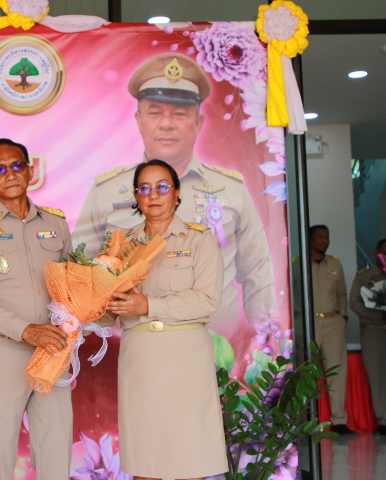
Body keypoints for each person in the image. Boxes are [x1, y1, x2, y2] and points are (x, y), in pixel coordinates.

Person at [73, 53, 275, 335]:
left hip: (217, 345)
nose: (166, 123)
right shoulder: (105, 192)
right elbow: (80, 271)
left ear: (198, 122)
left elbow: (257, 274)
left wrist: (265, 342)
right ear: (139, 120)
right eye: (155, 112)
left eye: (180, 113)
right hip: (134, 341)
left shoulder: (231, 189)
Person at [0, 138, 74, 480]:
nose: (10, 174)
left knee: (55, 440)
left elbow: (72, 283)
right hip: (4, 347)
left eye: (17, 165)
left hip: (54, 346)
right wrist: (26, 330)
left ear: (30, 171)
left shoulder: (55, 223)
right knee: (0, 443)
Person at [106, 159, 227, 480]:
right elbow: (110, 306)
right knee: (145, 458)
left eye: (162, 187)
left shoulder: (198, 239)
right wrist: (84, 304)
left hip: (185, 357)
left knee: (190, 457)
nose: (154, 195)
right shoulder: (121, 245)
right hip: (140, 358)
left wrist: (148, 304)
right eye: (144, 188)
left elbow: (207, 300)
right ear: (136, 196)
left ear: (177, 193)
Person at [349, 238, 386, 435]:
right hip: (375, 330)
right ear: (376, 253)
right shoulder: (365, 276)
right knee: (379, 377)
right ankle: (384, 420)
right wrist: (379, 315)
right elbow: (354, 303)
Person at [308, 224, 353, 435]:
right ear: (310, 239)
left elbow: (342, 293)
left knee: (336, 371)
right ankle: (306, 421)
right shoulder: (298, 263)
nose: (324, 241)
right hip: (310, 323)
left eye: (326, 237)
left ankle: (339, 420)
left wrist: (343, 318)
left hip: (334, 322)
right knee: (306, 372)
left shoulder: (335, 263)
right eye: (319, 237)